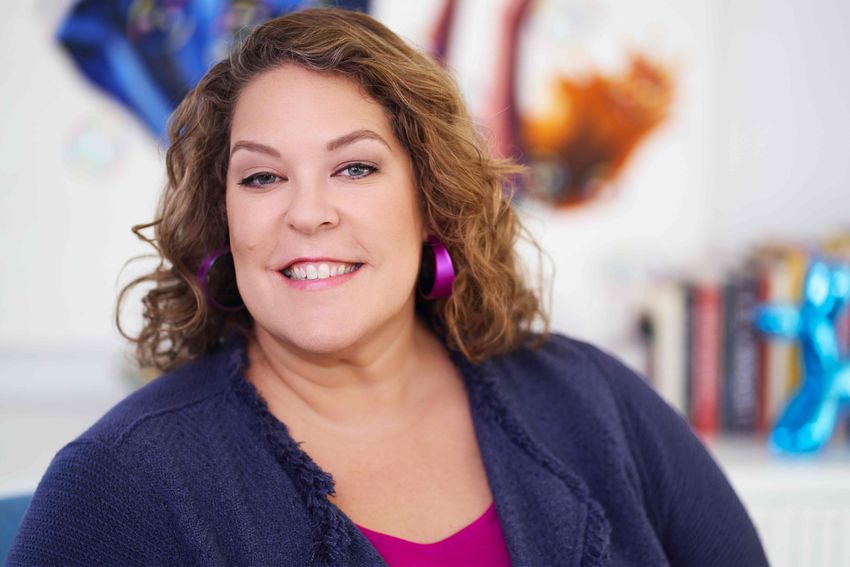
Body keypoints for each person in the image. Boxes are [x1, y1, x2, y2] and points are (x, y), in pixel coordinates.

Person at [7, 8, 768, 567]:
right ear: (223, 220)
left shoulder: (594, 399)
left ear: (430, 199)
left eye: (355, 167)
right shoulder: (118, 483)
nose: (308, 212)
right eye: (262, 177)